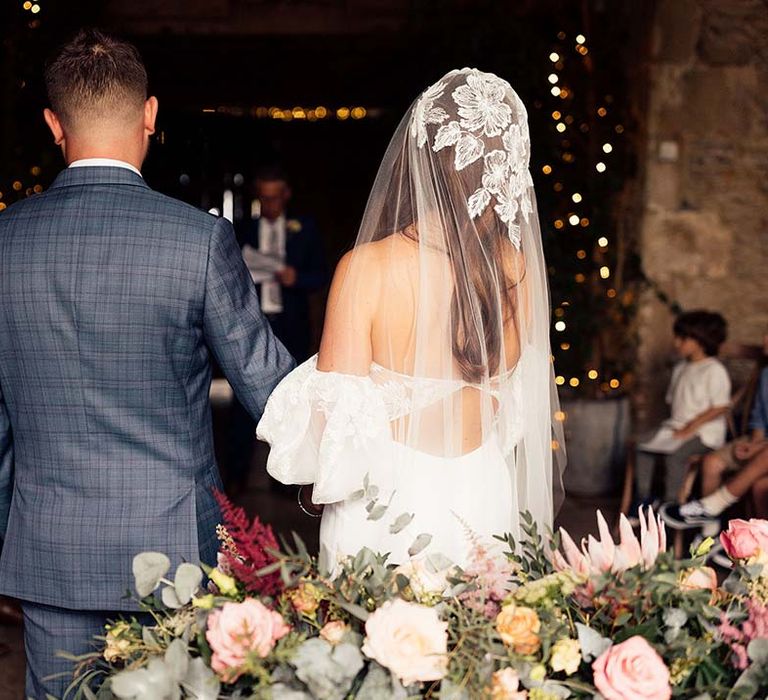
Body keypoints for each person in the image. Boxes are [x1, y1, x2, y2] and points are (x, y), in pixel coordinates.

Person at [0, 30, 294, 698]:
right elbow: (270, 390)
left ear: (54, 125)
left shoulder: (5, 241)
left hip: (49, 551)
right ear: (151, 115)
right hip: (173, 554)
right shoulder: (200, 241)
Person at [257, 68, 566, 572]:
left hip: (386, 505)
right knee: (485, 639)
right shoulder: (517, 268)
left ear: (420, 159)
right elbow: (518, 402)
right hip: (484, 492)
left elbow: (335, 418)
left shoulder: (366, 268)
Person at [227, 168, 327, 492]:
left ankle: (286, 482)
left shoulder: (305, 229)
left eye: (274, 197)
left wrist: (296, 279)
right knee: (242, 402)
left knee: (292, 400)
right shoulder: (242, 229)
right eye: (263, 197)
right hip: (252, 324)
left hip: (291, 325)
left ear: (286, 195)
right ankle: (237, 474)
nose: (268, 203)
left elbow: (321, 275)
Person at [661, 328, 768, 529]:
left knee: (760, 486)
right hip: (761, 442)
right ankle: (709, 534)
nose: (764, 339)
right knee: (711, 462)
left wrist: (758, 448)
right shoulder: (765, 375)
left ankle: (712, 505)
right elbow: (759, 419)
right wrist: (754, 442)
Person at [632, 311, 731, 514]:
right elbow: (675, 403)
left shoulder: (714, 370)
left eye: (682, 338)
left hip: (704, 434)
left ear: (700, 341)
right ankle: (643, 499)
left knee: (675, 456)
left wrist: (690, 428)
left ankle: (671, 506)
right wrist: (676, 429)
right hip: (677, 427)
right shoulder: (681, 368)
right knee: (642, 446)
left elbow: (720, 407)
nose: (677, 343)